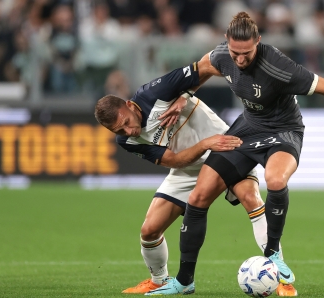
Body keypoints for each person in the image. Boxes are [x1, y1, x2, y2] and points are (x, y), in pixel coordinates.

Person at [146, 12, 324, 296]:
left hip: (284, 130)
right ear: (227, 42)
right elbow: (201, 70)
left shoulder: (278, 66)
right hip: (247, 127)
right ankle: (185, 281)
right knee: (198, 197)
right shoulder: (222, 55)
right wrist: (183, 97)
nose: (239, 59)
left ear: (258, 42)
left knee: (275, 180)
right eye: (235, 52)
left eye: (247, 53)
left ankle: (273, 254)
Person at [94, 62, 297, 296]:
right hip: (189, 166)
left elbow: (208, 65)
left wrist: (186, 93)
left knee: (251, 197)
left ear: (130, 105)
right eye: (118, 131)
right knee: (149, 230)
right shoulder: (127, 141)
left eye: (126, 123)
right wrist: (203, 144)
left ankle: (281, 277)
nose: (128, 132)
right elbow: (175, 160)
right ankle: (159, 280)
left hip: (225, 148)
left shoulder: (156, 92)